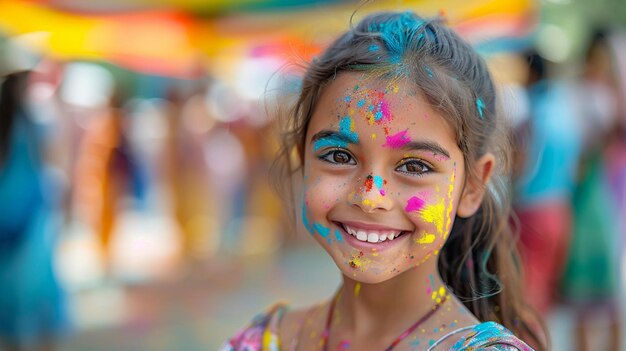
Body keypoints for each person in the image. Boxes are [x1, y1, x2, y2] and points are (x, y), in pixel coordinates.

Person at [221, 11, 544, 350]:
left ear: (473, 186)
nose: (370, 196)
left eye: (415, 166)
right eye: (339, 156)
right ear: (304, 160)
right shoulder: (263, 341)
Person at [0, 71, 69, 350]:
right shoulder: (33, 120)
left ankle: (17, 338)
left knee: (13, 279)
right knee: (35, 277)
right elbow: (52, 157)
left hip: (12, 205)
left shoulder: (15, 122)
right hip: (30, 205)